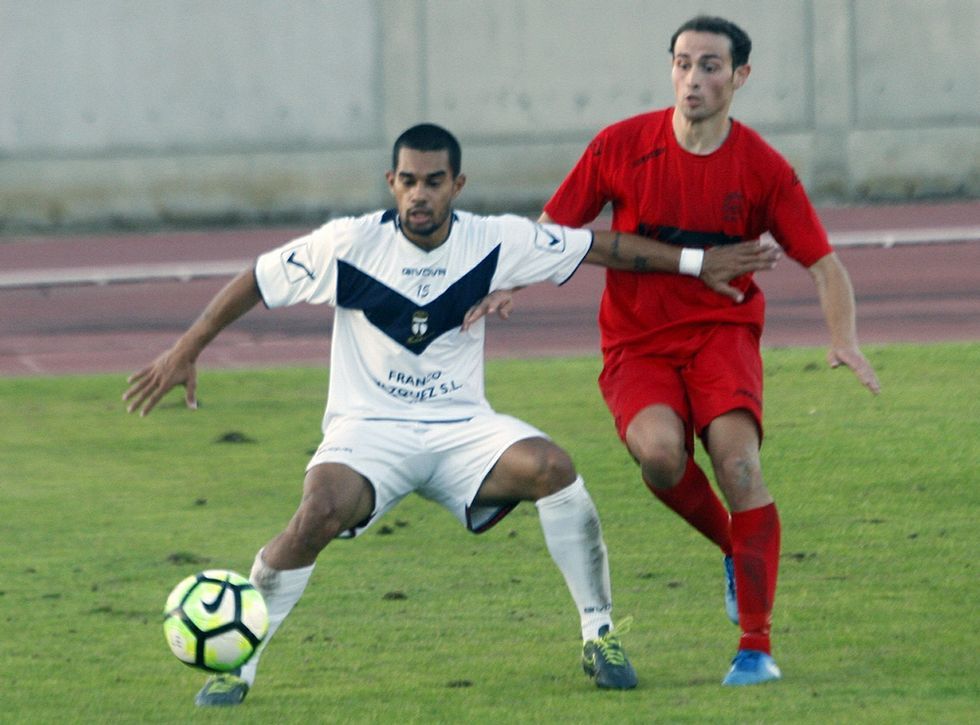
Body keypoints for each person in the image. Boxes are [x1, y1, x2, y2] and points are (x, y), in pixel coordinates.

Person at [123, 123, 778, 706]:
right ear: (391, 181)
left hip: (462, 428)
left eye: (434, 181)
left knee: (554, 466)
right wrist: (186, 349)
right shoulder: (348, 244)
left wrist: (698, 262)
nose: (419, 195)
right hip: (368, 431)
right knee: (317, 513)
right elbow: (258, 280)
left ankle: (599, 634)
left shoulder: (498, 240)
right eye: (408, 180)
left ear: (456, 184)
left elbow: (601, 246)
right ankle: (241, 664)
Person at [532, 16, 882, 686]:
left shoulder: (763, 168)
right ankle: (733, 544)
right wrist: (500, 285)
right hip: (637, 342)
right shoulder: (620, 145)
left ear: (740, 77)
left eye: (711, 66)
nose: (694, 78)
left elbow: (825, 264)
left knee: (740, 466)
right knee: (661, 457)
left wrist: (844, 340)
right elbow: (552, 230)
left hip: (723, 335)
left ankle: (755, 647)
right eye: (683, 63)